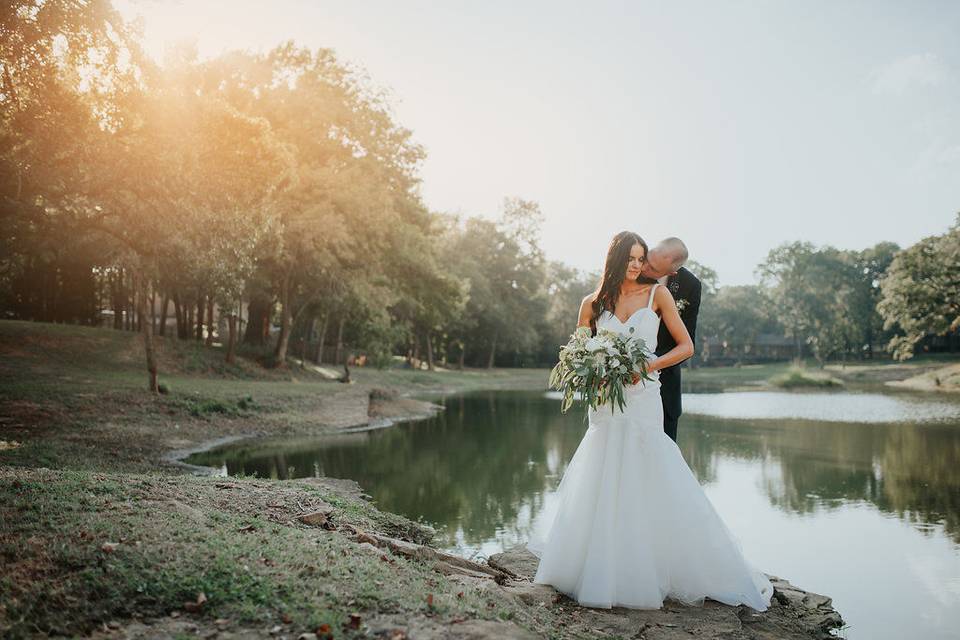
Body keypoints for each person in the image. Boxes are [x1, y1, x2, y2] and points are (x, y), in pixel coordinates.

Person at [527, 231, 771, 611]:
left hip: (642, 400)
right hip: (606, 405)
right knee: (602, 473)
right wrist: (592, 370)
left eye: (642, 259)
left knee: (646, 473)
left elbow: (685, 346)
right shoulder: (591, 304)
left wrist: (648, 366)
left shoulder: (659, 295)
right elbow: (576, 353)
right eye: (632, 259)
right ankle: (592, 563)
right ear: (615, 259)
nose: (638, 266)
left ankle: (648, 564)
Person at [640, 237, 702, 443]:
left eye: (654, 268)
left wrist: (650, 365)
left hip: (664, 388)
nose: (645, 268)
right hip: (623, 385)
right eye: (647, 259)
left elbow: (687, 342)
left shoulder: (690, 285)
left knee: (664, 464)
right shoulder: (632, 267)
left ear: (671, 272)